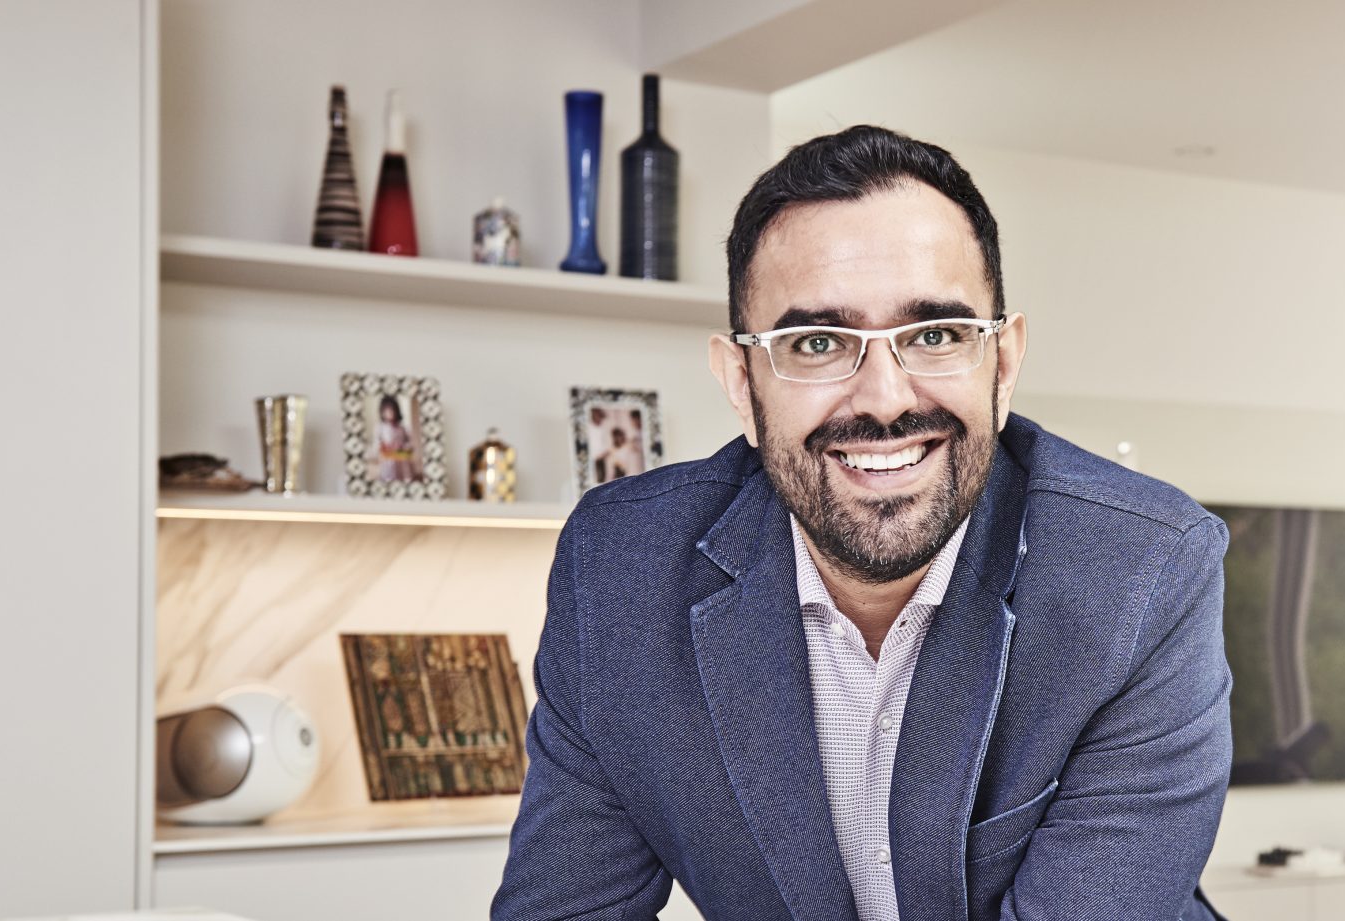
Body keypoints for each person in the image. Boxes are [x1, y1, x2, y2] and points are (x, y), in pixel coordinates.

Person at [493, 125, 1232, 921]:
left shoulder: (1143, 570)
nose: (885, 398)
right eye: (817, 341)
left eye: (936, 335)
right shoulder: (618, 571)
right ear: (741, 383)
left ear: (1004, 365)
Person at [376, 394, 418, 482]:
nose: (389, 413)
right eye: (386, 410)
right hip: (388, 462)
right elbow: (376, 444)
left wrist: (402, 447)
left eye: (391, 410)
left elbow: (410, 444)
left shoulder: (402, 428)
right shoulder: (380, 428)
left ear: (396, 411)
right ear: (382, 412)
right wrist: (384, 446)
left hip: (402, 461)